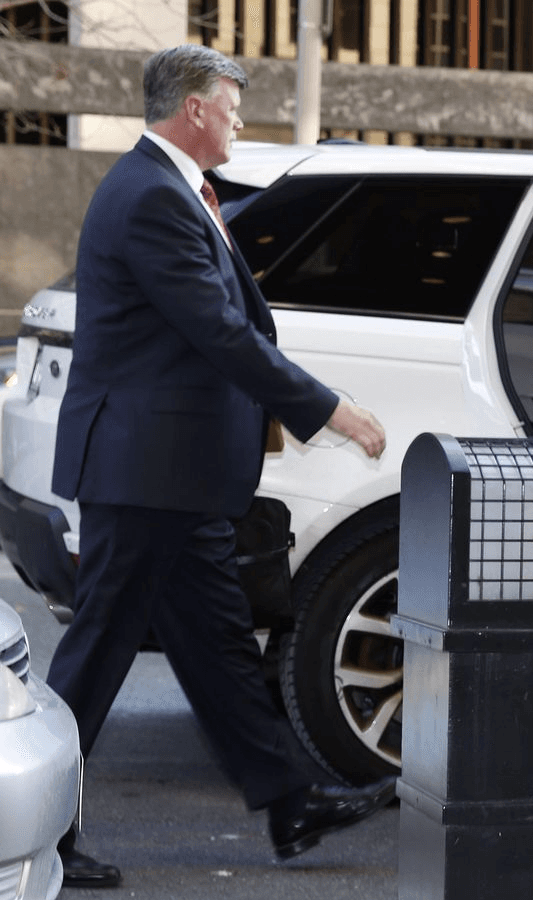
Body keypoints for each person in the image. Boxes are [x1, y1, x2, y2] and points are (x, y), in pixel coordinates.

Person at [47, 44, 395, 888]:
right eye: (232, 107)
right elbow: (221, 331)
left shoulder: (168, 190)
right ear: (195, 109)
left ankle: (288, 803)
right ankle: (34, 827)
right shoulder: (151, 197)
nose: (241, 120)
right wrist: (332, 410)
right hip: (143, 474)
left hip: (172, 474)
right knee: (95, 655)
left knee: (219, 648)